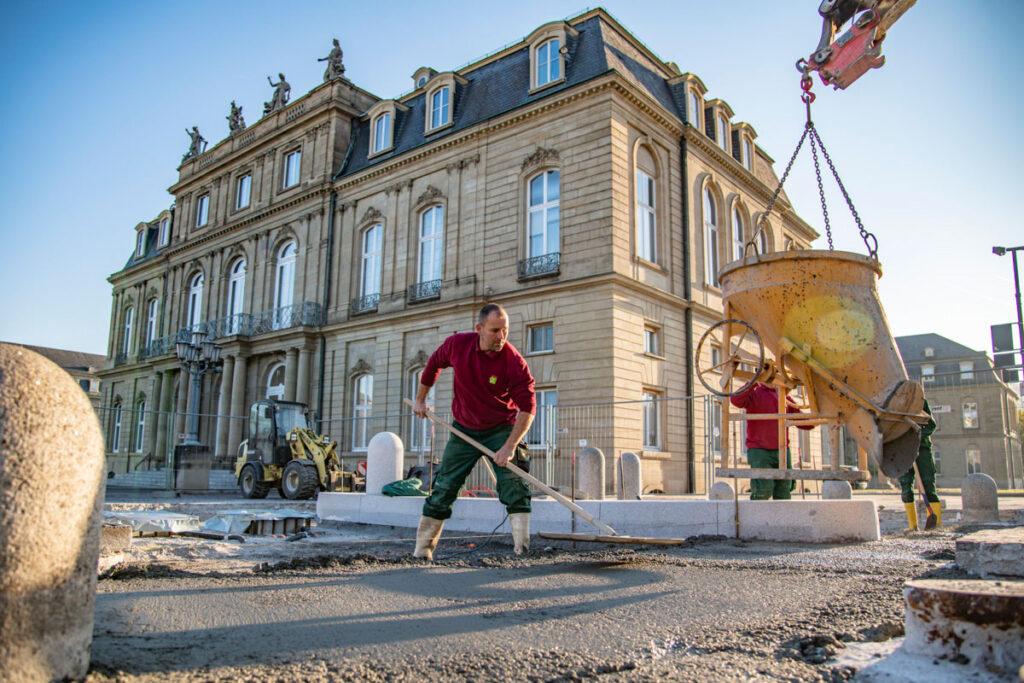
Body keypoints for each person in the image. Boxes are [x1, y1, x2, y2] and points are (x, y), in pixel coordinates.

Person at [411, 304, 536, 559]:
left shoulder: (513, 361)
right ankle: (421, 551)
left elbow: (529, 407)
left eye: (505, 330)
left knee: (514, 486)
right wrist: (420, 400)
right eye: (495, 331)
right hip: (463, 430)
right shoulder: (458, 345)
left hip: (501, 429)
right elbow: (433, 364)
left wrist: (510, 447)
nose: (502, 337)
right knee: (444, 487)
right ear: (479, 329)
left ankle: (522, 551)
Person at [730, 382, 813, 500]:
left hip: (782, 450)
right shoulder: (754, 393)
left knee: (784, 490)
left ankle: (782, 518)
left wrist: (818, 418)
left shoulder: (784, 397)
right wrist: (753, 383)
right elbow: (735, 400)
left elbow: (803, 422)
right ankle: (758, 517)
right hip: (759, 450)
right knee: (762, 489)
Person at [898, 400, 940, 530]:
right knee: (905, 486)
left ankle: (936, 523)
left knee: (927, 484)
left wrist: (916, 436)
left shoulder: (918, 400)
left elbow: (931, 425)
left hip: (921, 449)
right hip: (901, 450)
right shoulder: (892, 402)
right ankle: (913, 526)